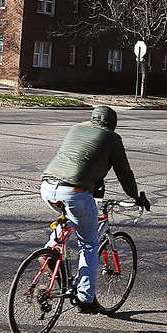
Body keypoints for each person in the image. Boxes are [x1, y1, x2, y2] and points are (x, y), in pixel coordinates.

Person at [39, 105, 150, 313]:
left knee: (71, 218)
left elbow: (81, 159)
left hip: (47, 187)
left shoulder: (76, 128)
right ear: (112, 123)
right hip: (75, 192)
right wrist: (137, 197)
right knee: (89, 244)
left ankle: (51, 249)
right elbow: (124, 173)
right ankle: (85, 298)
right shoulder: (112, 139)